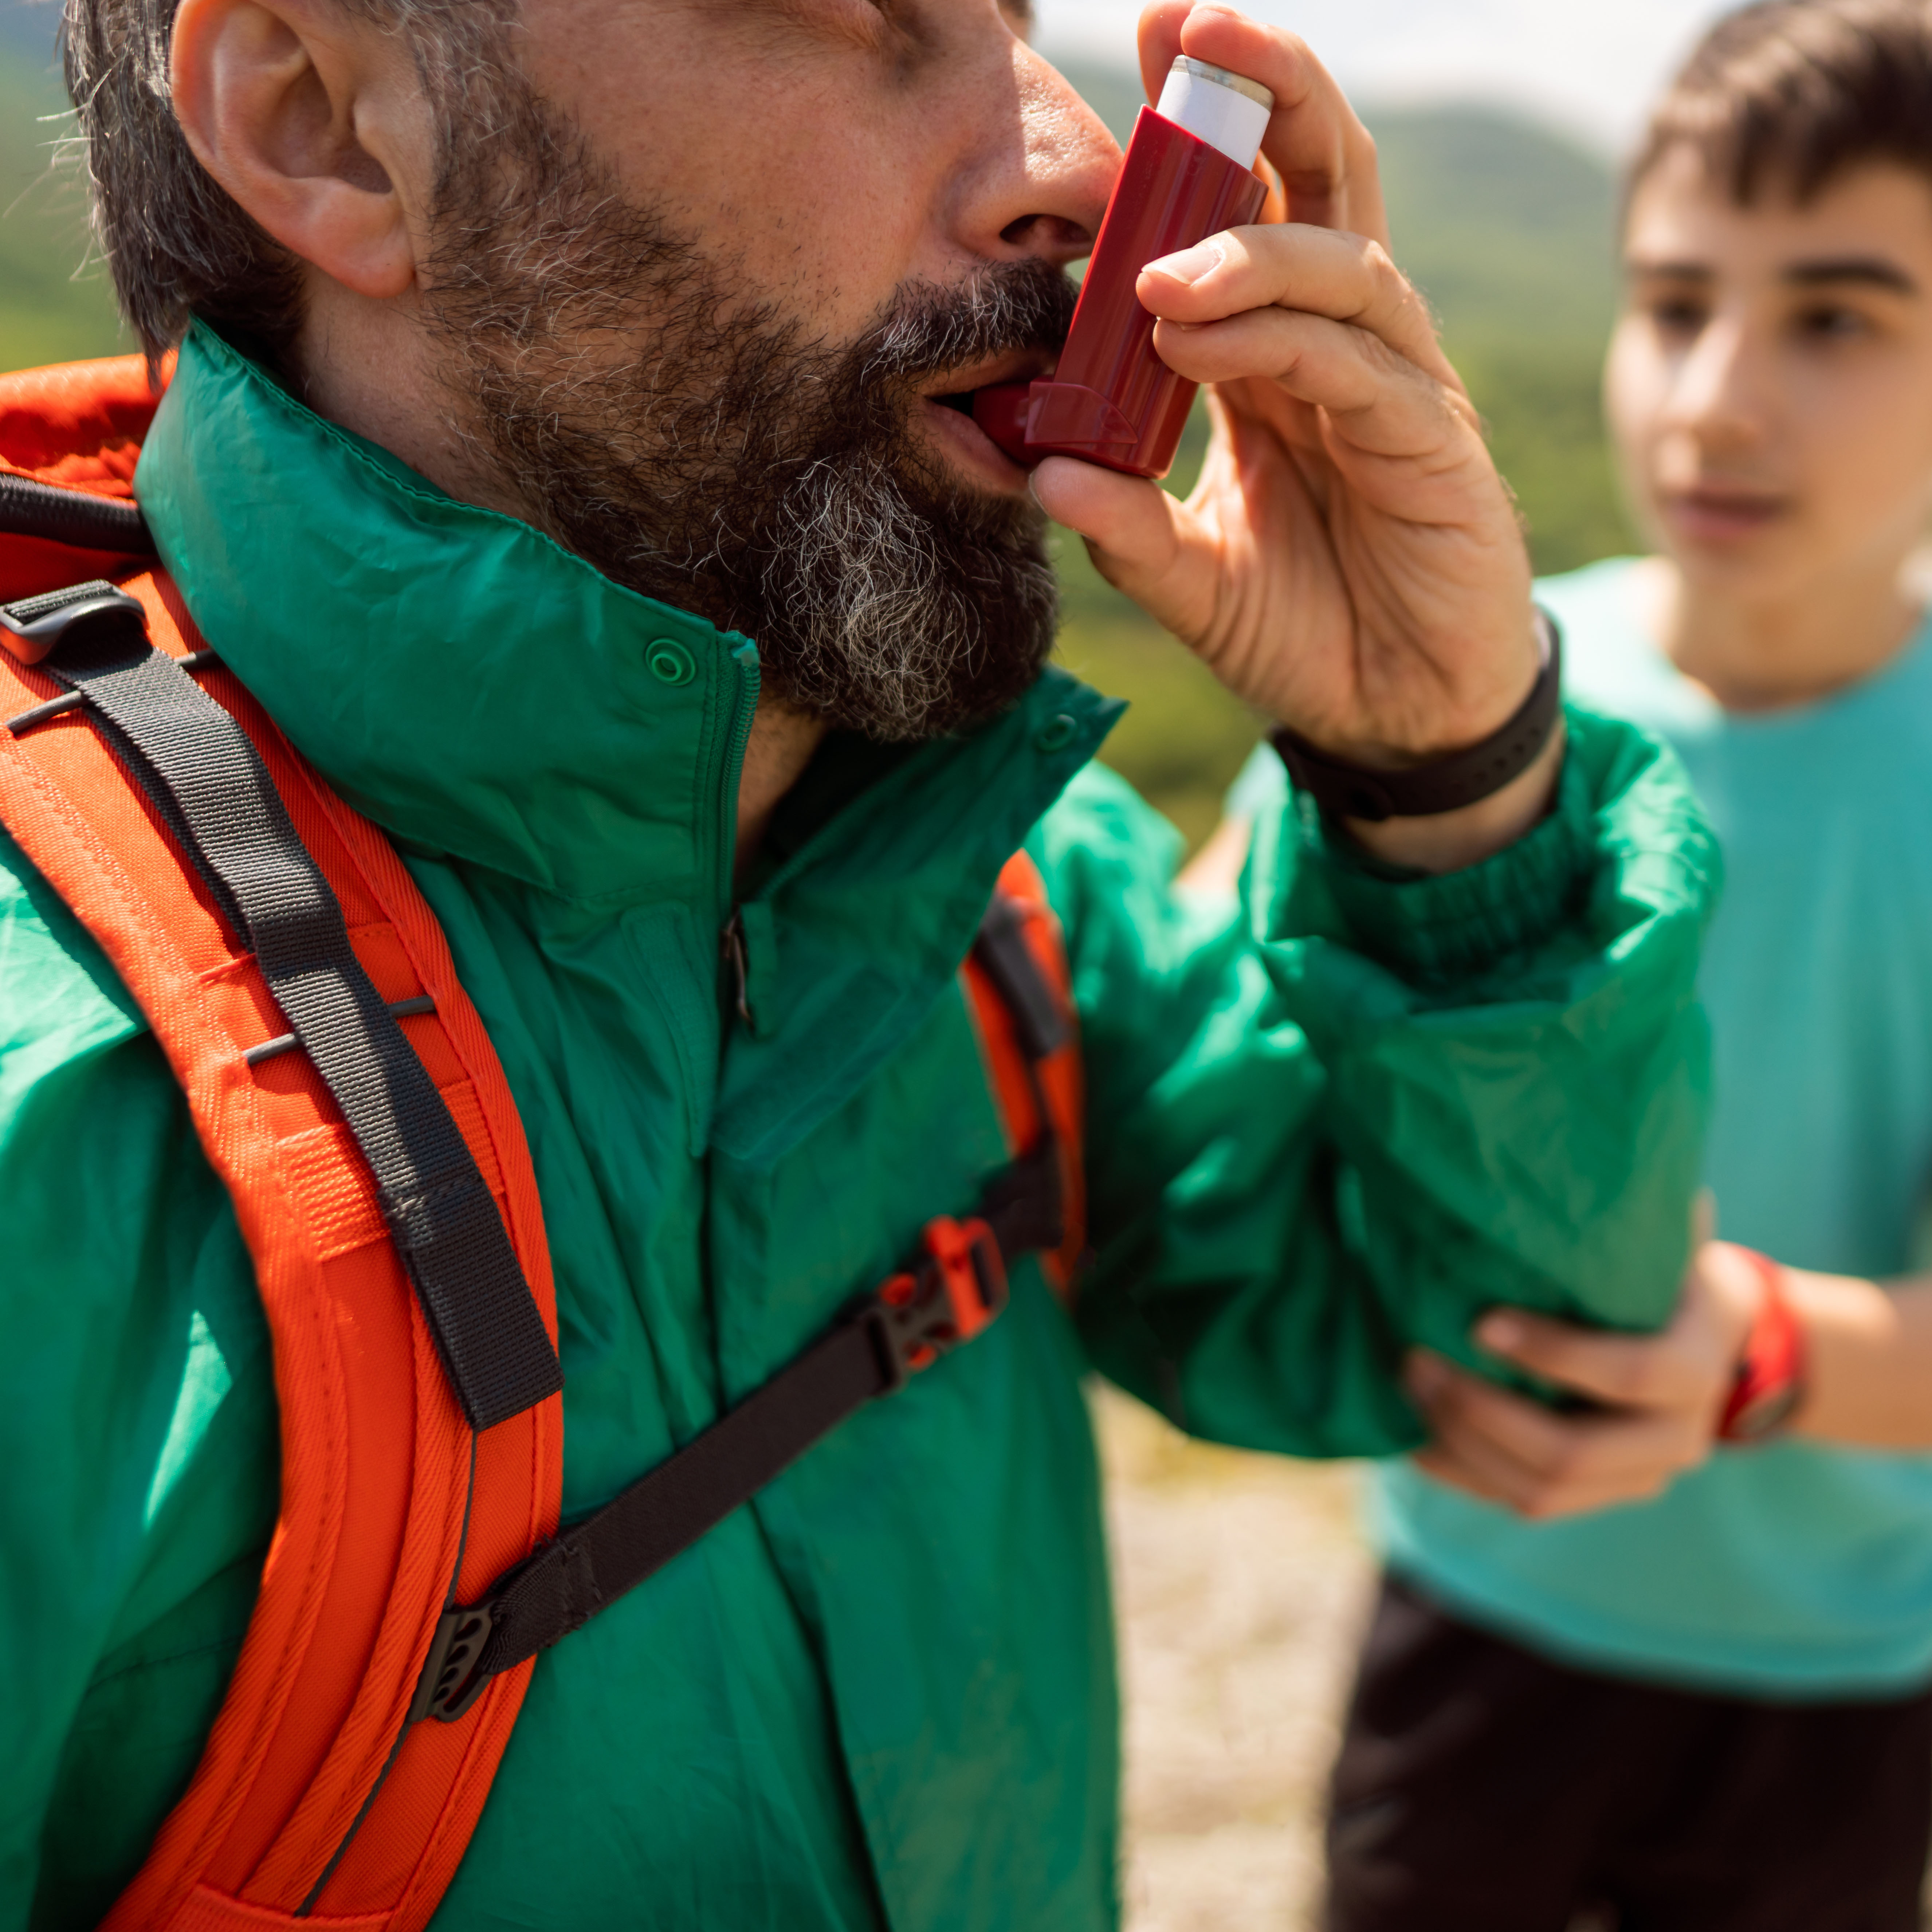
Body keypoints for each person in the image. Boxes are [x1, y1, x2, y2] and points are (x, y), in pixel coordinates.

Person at [0, 1, 1716, 1926]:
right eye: (856, 20)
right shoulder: (44, 1106)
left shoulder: (990, 876)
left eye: (1014, 20)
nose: (1078, 172)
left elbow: (1525, 1361)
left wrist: (1448, 773)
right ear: (323, 122)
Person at [1320, 4, 1932, 1929]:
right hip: (1477, 1598)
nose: (1716, 397)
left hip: (1835, 1676)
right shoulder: (1481, 693)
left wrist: (1738, 1351)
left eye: (1834, 316)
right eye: (1673, 300)